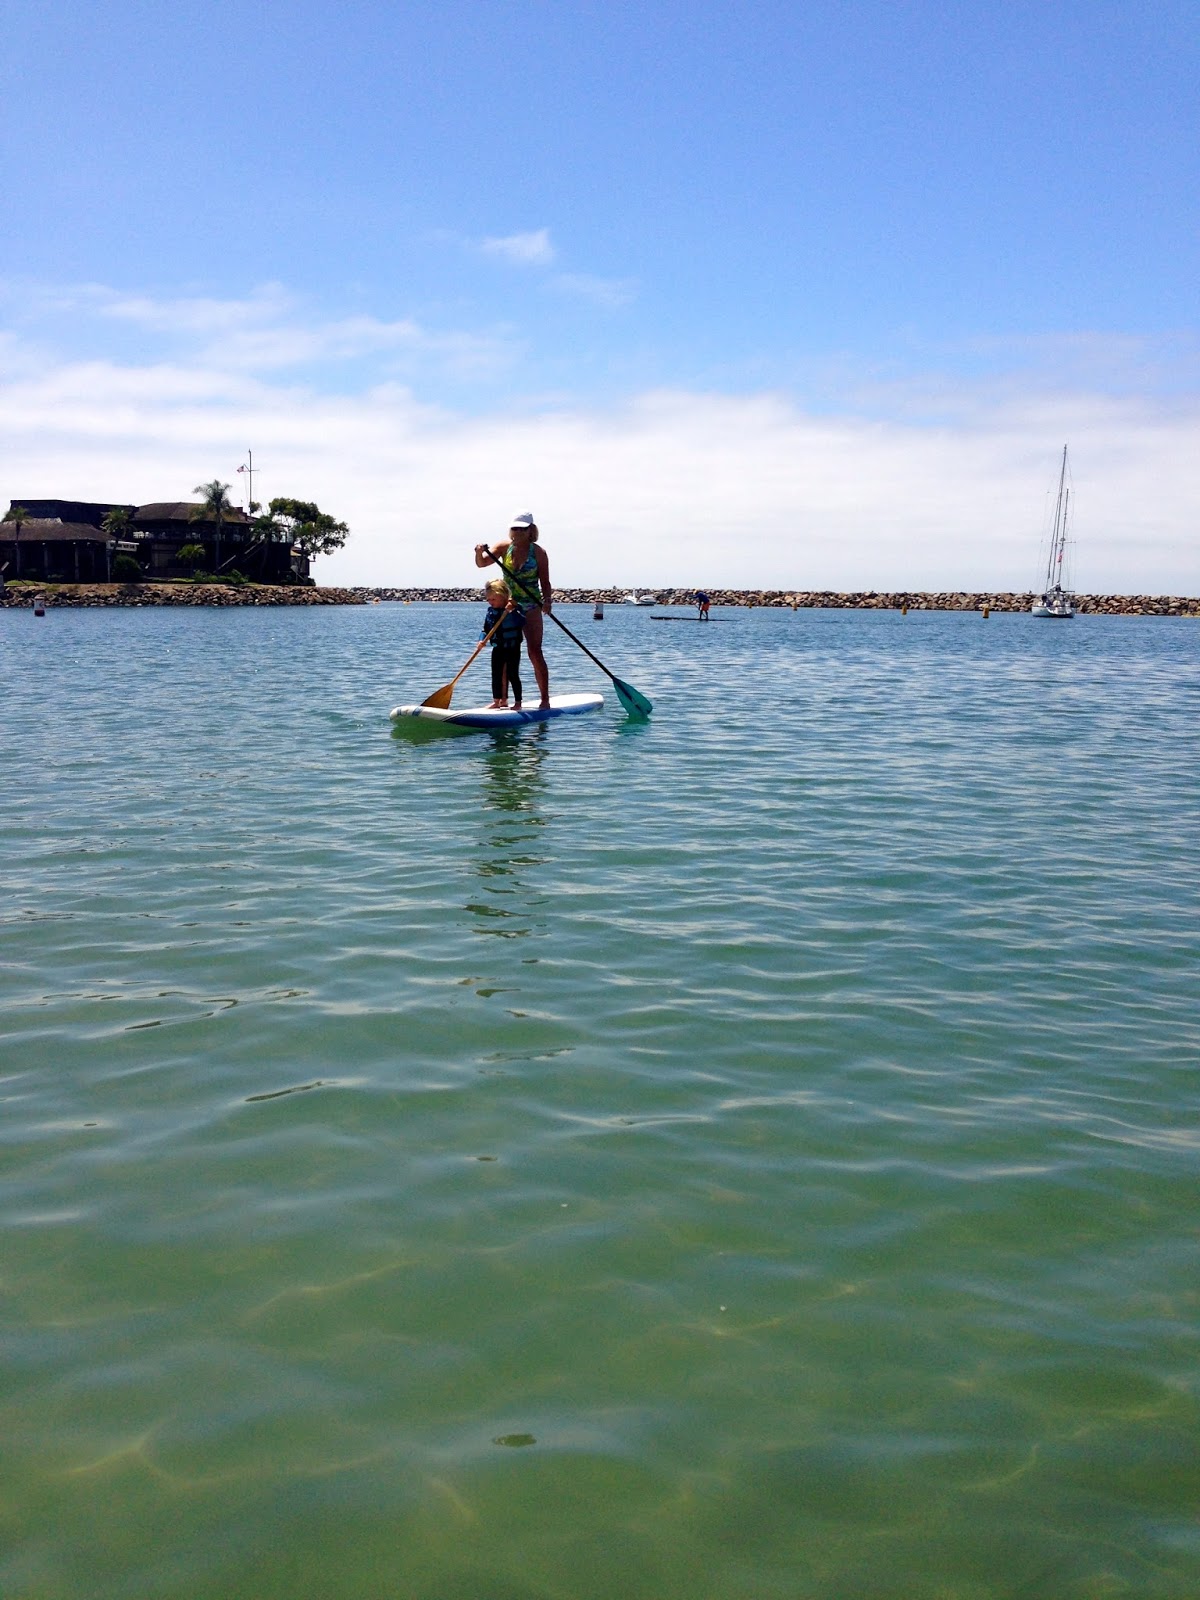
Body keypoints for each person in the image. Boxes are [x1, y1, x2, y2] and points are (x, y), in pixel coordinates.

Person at [474, 513, 552, 707]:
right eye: (514, 528)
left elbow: (545, 582)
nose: (517, 532)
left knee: (534, 651)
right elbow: (482, 563)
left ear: (530, 530)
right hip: (508, 605)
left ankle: (545, 699)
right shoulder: (503, 547)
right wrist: (478, 551)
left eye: (522, 528)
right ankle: (502, 700)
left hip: (531, 605)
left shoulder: (539, 553)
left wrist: (547, 601)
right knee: (503, 651)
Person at [482, 578, 525, 708]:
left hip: (512, 647)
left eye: (493, 599)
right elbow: (485, 629)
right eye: (488, 600)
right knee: (496, 674)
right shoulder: (491, 611)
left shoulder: (515, 609)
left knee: (513, 674)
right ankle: (497, 701)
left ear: (503, 596)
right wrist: (481, 640)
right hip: (498, 647)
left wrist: (512, 611)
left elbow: (522, 622)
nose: (491, 602)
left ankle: (518, 702)